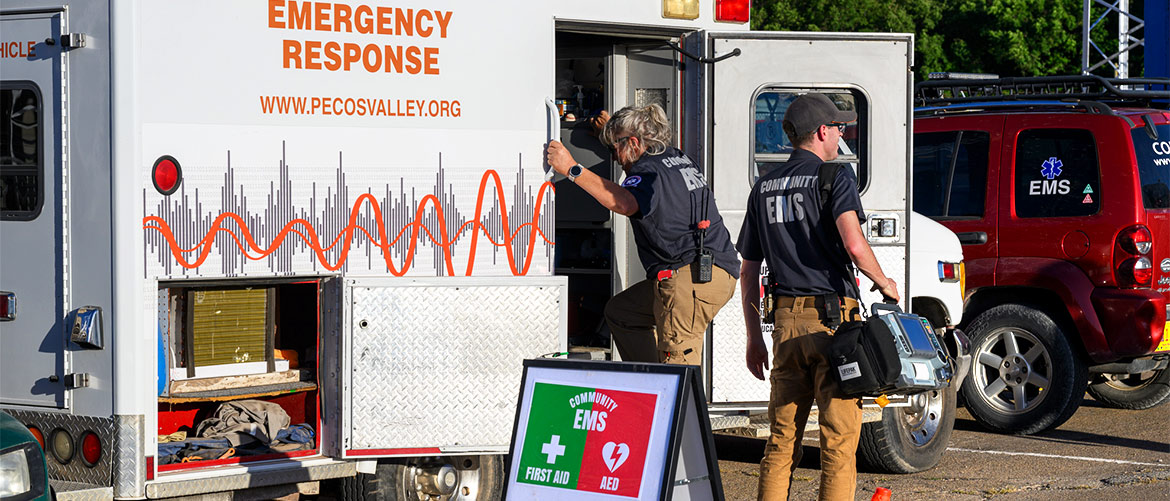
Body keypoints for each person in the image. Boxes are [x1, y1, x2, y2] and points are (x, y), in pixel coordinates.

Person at [736, 93, 900, 501]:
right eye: (839, 128)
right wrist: (885, 282)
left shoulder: (764, 185)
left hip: (786, 325)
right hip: (833, 328)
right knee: (839, 442)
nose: (841, 136)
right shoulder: (835, 177)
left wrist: (753, 337)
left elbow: (748, 269)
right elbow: (855, 246)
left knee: (781, 440)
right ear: (822, 132)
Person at [546, 104, 739, 365]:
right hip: (717, 273)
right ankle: (648, 381)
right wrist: (610, 135)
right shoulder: (677, 157)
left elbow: (625, 203)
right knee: (622, 313)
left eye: (617, 147)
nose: (615, 157)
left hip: (687, 280)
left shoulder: (647, 170)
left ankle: (671, 396)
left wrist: (572, 168)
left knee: (678, 365)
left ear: (634, 142)